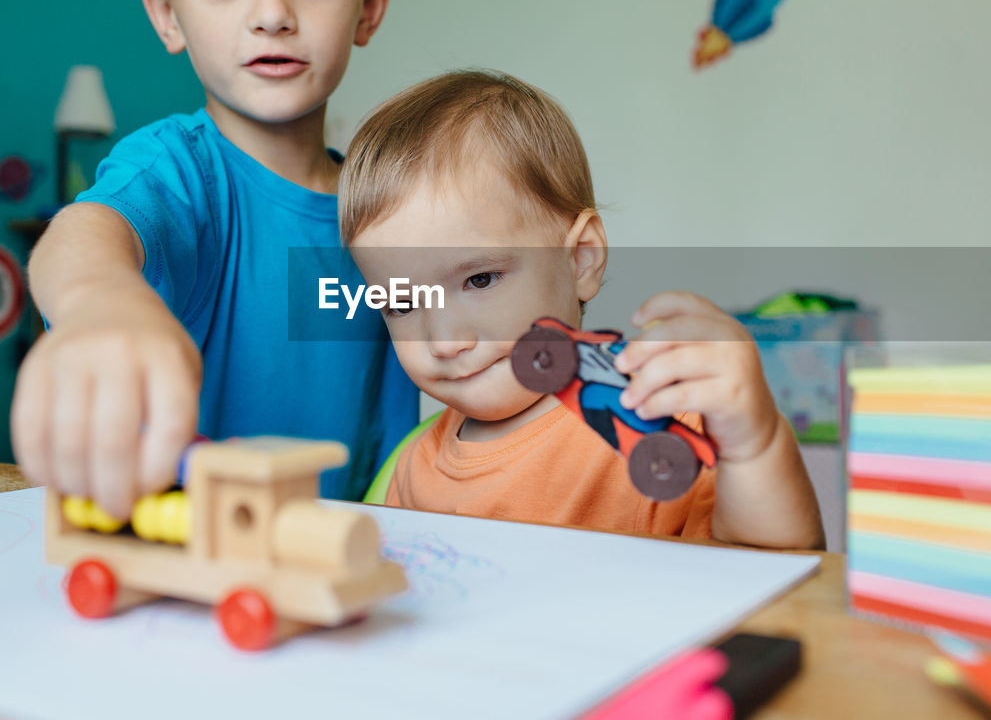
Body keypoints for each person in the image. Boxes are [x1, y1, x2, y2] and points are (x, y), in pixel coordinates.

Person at [10, 0, 418, 519]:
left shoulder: (399, 210)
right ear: (167, 13)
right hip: (194, 570)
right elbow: (85, 234)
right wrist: (99, 300)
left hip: (364, 567)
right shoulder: (180, 171)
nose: (272, 15)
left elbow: (503, 311)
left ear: (368, 6)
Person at [339, 70, 824, 548]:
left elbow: (777, 575)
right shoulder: (413, 472)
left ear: (580, 259)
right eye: (402, 302)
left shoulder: (656, 416)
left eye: (480, 279)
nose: (444, 341)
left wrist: (752, 446)